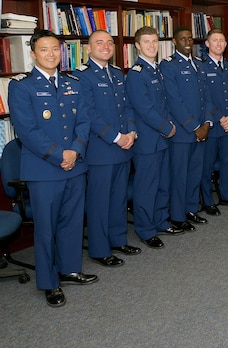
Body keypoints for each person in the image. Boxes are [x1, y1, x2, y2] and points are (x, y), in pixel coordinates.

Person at [8, 30, 97, 307]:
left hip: (75, 165)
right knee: (45, 228)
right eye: (44, 50)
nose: (51, 54)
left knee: (72, 222)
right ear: (33, 53)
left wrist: (76, 151)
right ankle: (49, 282)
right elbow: (27, 130)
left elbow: (84, 121)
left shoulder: (74, 82)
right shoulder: (21, 86)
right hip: (44, 169)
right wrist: (60, 155)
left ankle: (70, 269)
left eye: (56, 49)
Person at [74, 30, 141, 267]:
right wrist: (116, 137)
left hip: (125, 146)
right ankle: (100, 249)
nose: (105, 46)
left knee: (119, 198)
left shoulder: (116, 73)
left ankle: (118, 239)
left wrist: (131, 132)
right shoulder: (81, 77)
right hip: (101, 150)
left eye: (109, 43)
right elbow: (89, 114)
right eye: (99, 43)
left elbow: (129, 107)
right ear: (88, 49)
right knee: (99, 202)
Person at [126, 26, 182, 250]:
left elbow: (164, 103)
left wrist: (169, 125)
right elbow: (144, 108)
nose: (151, 45)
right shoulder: (136, 73)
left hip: (163, 139)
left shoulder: (156, 70)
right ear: (137, 45)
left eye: (154, 41)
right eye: (146, 42)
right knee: (146, 187)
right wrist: (165, 126)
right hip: (149, 140)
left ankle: (161, 221)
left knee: (162, 184)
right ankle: (145, 229)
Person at [160, 26, 211, 229]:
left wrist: (207, 123)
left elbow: (207, 96)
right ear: (175, 42)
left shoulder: (199, 64)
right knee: (179, 175)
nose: (188, 43)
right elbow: (174, 101)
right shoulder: (168, 66)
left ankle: (191, 209)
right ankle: (178, 216)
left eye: (190, 39)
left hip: (202, 130)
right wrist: (194, 127)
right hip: (183, 132)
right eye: (183, 39)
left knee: (194, 173)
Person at [200, 29, 228, 216]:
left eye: (222, 41)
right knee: (206, 165)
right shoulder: (200, 66)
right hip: (212, 125)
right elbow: (204, 97)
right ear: (207, 44)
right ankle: (208, 201)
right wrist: (220, 117)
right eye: (215, 40)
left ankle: (227, 196)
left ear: (226, 44)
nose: (219, 44)